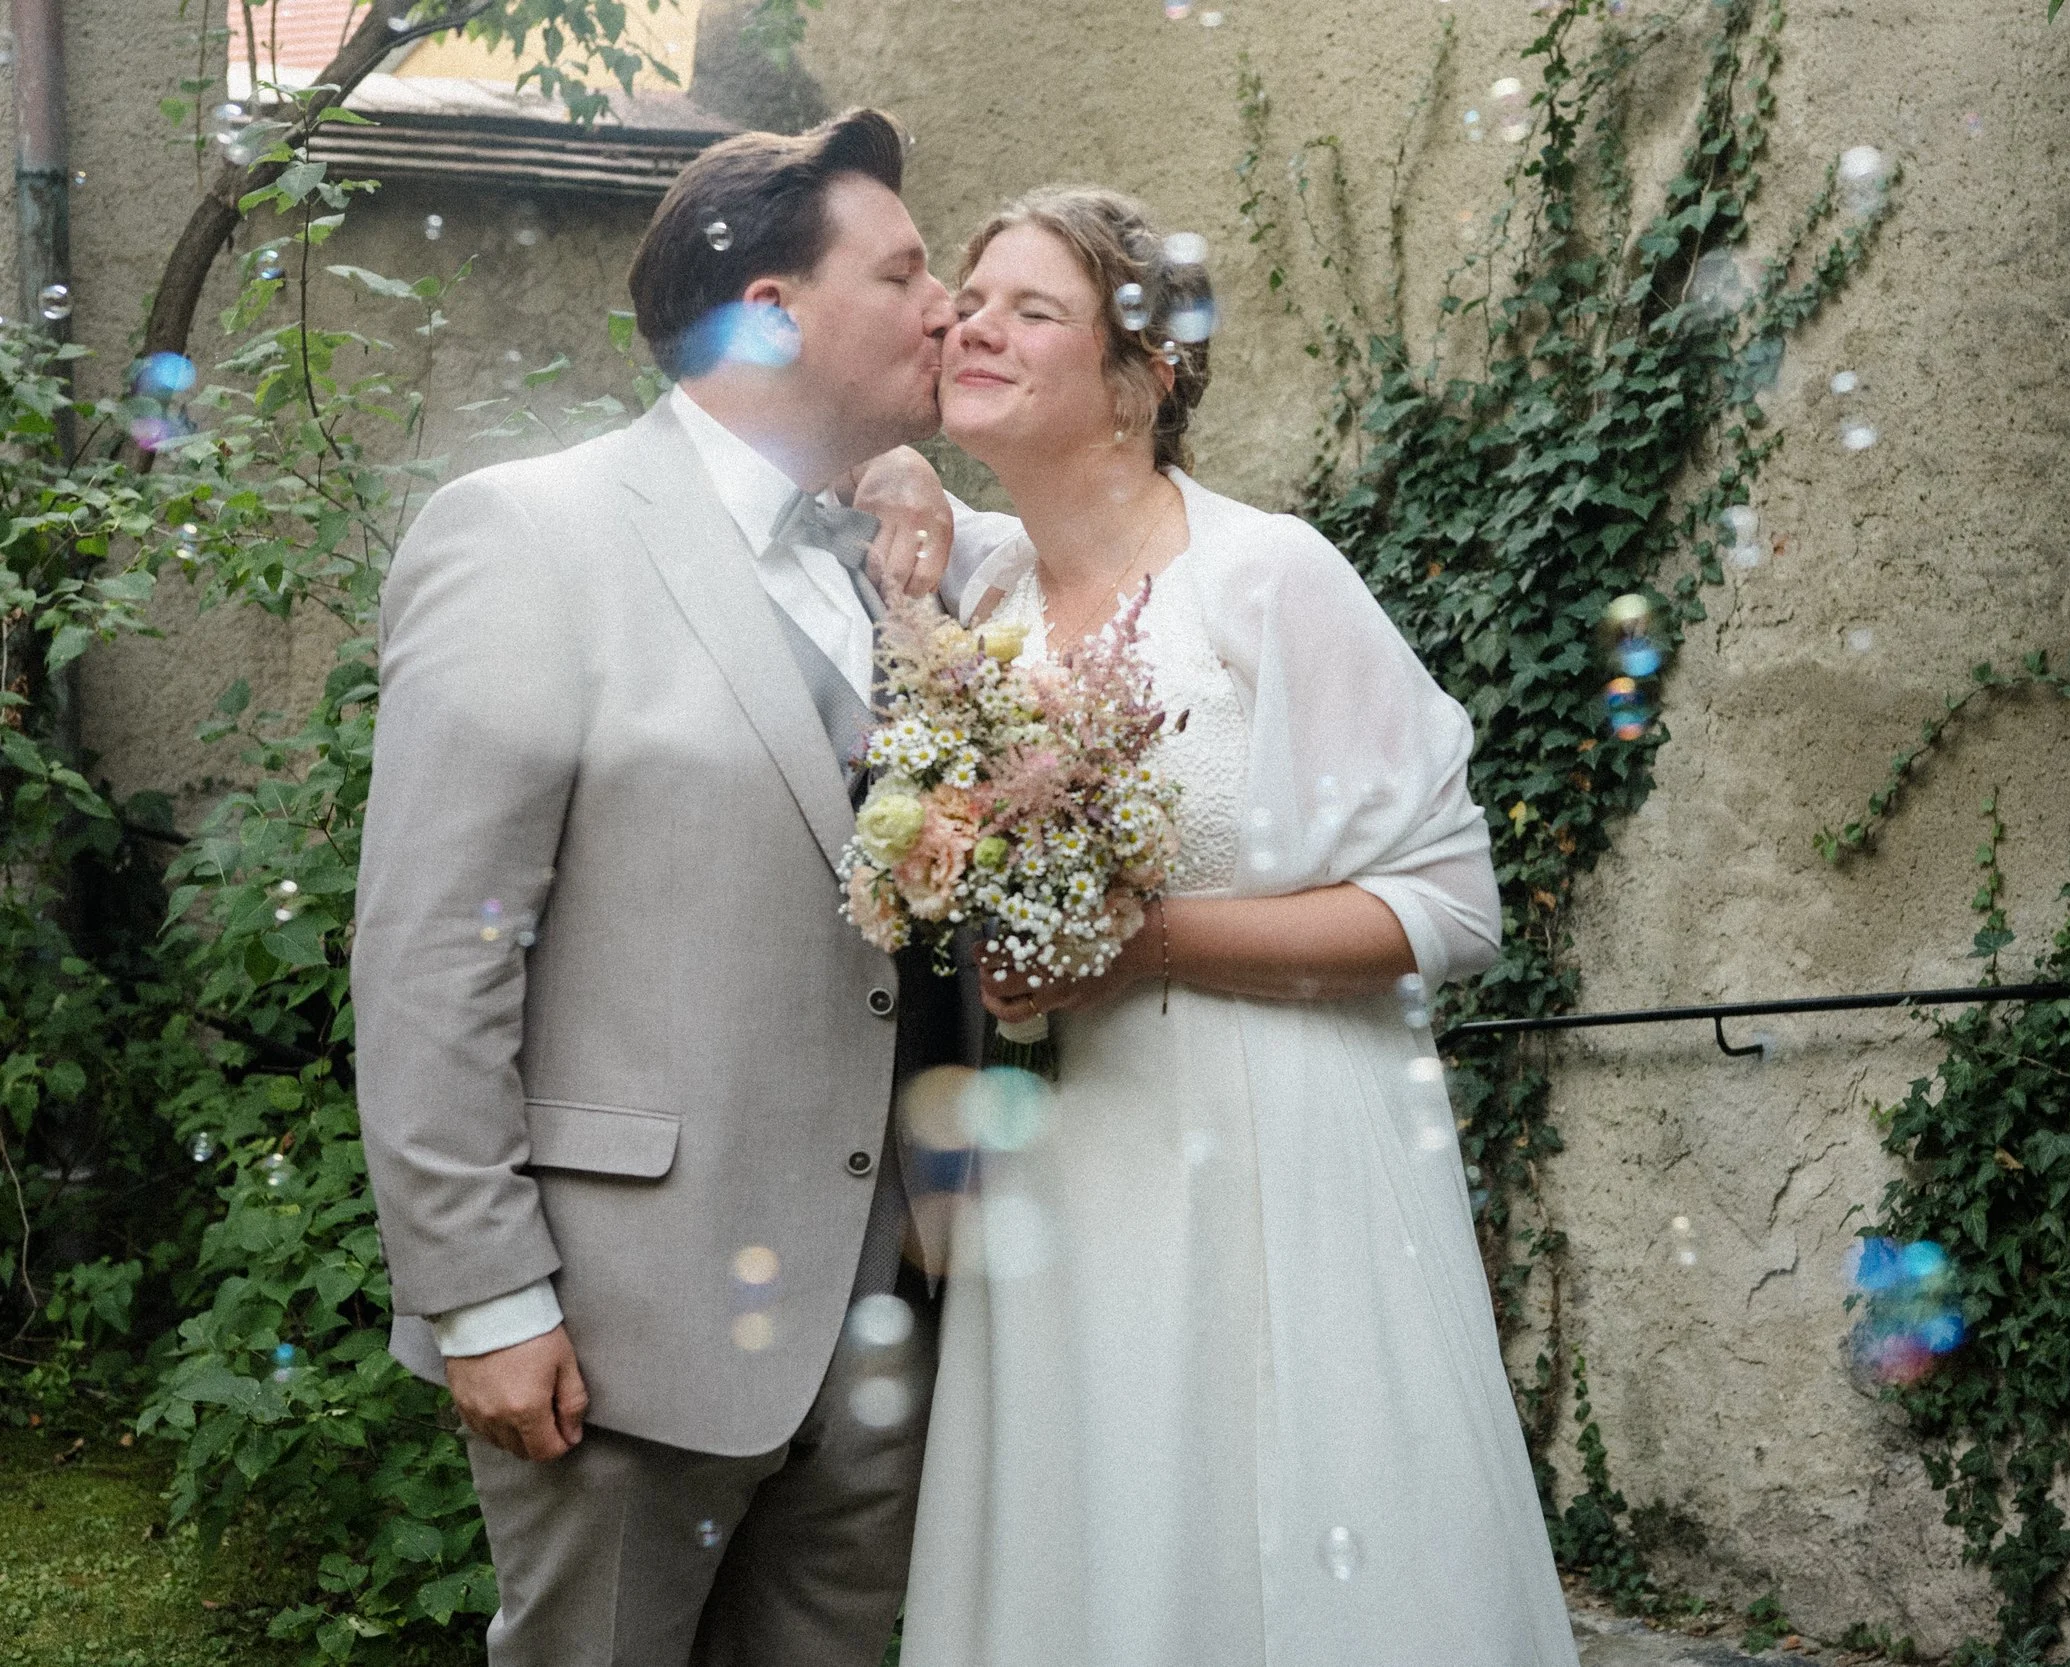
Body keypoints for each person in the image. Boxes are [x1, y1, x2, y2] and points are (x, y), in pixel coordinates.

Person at [352, 109, 1016, 1665]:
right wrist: (482, 1295)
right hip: (621, 1320)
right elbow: (435, 952)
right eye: (908, 270)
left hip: (886, 1309)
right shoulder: (532, 535)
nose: (950, 308)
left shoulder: (917, 558)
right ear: (772, 308)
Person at [898, 186, 1578, 1666]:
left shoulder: (1266, 576)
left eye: (1033, 309)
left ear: (1140, 379)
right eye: (968, 293)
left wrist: (1147, 943)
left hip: (1267, 1157)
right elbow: (844, 478)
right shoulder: (993, 586)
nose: (974, 324)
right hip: (1064, 1166)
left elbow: (1453, 901)